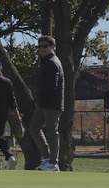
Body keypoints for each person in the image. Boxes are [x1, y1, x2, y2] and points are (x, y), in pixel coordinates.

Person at [29, 35, 64, 171]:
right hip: (43, 104)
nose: (42, 49)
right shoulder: (45, 62)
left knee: (51, 132)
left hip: (52, 105)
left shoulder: (52, 63)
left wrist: (42, 99)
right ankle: (46, 158)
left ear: (52, 47)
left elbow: (52, 86)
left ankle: (53, 163)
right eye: (40, 46)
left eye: (45, 46)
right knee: (33, 129)